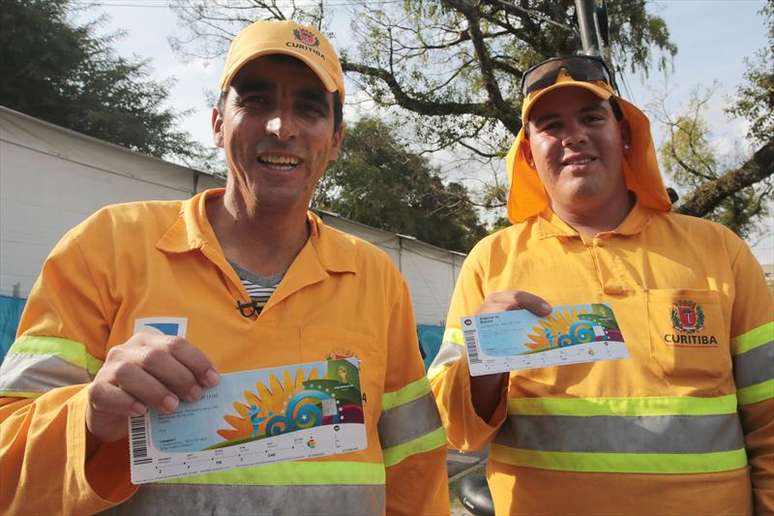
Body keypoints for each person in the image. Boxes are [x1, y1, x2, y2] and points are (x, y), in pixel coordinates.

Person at [0, 20, 449, 515]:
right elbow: (8, 461)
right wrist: (90, 417)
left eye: (309, 108)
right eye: (255, 102)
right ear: (218, 123)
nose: (283, 126)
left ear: (336, 139)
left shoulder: (376, 279)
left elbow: (415, 465)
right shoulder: (107, 246)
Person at [429, 55, 773, 515]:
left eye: (591, 117)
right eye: (551, 125)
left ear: (625, 134)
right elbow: (455, 431)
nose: (574, 136)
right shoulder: (491, 261)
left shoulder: (720, 252)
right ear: (529, 153)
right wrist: (482, 361)